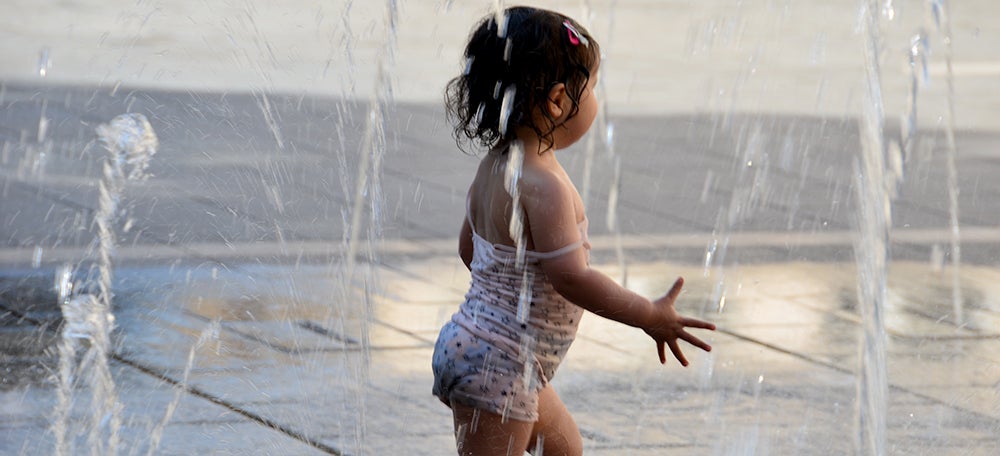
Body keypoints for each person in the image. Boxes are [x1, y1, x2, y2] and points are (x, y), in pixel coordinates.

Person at [431, 6, 716, 455]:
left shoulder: (494, 165)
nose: (597, 101)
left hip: (494, 353)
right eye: (593, 88)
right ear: (558, 100)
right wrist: (648, 315)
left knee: (564, 448)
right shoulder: (544, 185)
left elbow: (471, 250)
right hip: (499, 364)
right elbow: (572, 278)